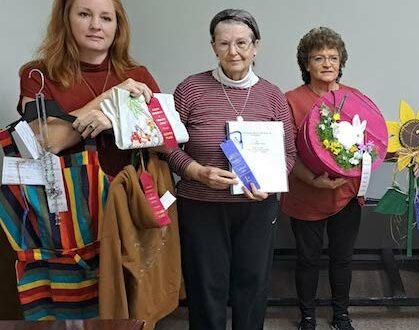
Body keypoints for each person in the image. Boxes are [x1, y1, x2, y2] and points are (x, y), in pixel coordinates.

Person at [166, 9, 297, 330]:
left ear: (256, 47)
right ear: (213, 47)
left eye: (241, 43)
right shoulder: (190, 90)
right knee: (205, 287)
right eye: (224, 43)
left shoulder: (273, 96)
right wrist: (196, 171)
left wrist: (271, 181)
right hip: (201, 206)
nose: (233, 51)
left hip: (257, 205)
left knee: (252, 286)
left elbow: (289, 153)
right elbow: (167, 146)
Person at [18, 0, 160, 177]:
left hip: (129, 194)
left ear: (118, 26)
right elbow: (47, 143)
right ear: (66, 19)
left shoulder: (138, 75)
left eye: (106, 18)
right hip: (69, 195)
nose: (95, 26)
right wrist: (110, 98)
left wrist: (117, 121)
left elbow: (167, 143)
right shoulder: (37, 75)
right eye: (84, 14)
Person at [280, 27, 361, 330]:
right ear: (306, 64)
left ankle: (341, 315)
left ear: (341, 62)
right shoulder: (291, 100)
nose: (327, 64)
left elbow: (369, 143)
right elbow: (286, 151)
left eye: (333, 57)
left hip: (346, 194)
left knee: (343, 258)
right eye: (318, 58)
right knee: (307, 259)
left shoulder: (354, 99)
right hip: (306, 192)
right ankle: (308, 317)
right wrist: (312, 179)